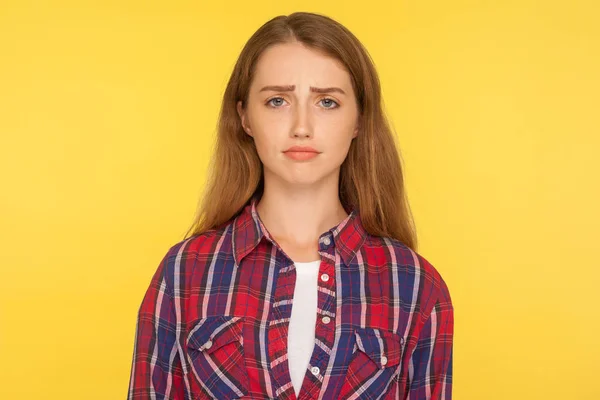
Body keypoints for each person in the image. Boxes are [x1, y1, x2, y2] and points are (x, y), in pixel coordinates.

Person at [127, 11, 453, 400]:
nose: (302, 126)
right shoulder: (183, 273)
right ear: (244, 116)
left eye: (327, 102)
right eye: (278, 100)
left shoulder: (415, 285)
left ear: (358, 120)